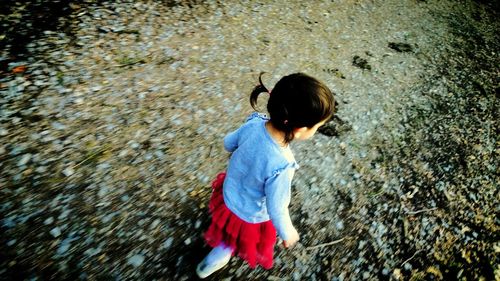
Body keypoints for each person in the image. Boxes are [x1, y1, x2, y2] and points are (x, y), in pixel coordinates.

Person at [196, 72, 335, 278]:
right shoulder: (283, 164)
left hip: (229, 192)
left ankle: (211, 258)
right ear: (300, 129)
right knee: (233, 239)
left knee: (225, 224)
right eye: (318, 126)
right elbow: (277, 207)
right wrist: (288, 233)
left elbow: (228, 143)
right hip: (249, 214)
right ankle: (217, 257)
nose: (316, 130)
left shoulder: (254, 124)